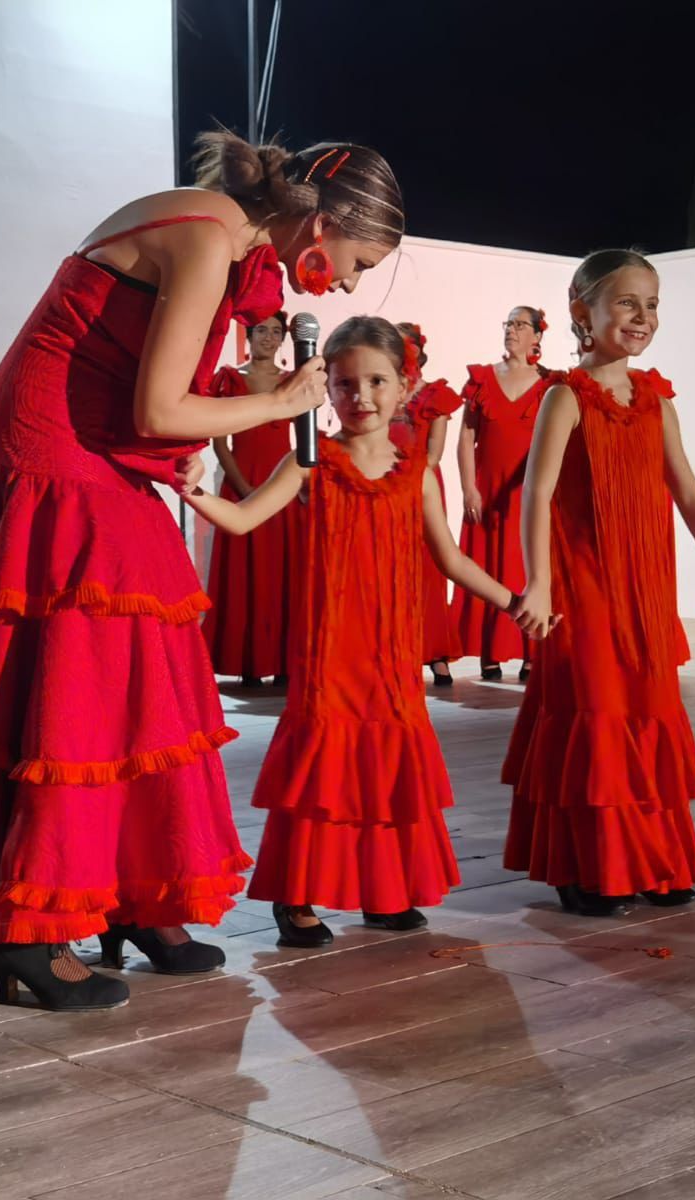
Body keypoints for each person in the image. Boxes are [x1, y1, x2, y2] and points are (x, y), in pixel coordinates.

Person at [0, 131, 403, 1010]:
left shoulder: (232, 240)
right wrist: (284, 400)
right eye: (358, 261)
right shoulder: (209, 237)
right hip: (58, 445)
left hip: (99, 443)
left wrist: (226, 418)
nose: (353, 284)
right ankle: (23, 923)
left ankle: (133, 896)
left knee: (149, 670)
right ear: (322, 223)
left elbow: (158, 392)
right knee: (78, 677)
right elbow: (161, 404)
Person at [184, 316, 538, 946]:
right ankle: (296, 894)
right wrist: (191, 491)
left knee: (386, 764)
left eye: (377, 381)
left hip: (391, 651)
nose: (362, 397)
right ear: (326, 388)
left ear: (404, 387)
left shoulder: (415, 473)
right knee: (323, 766)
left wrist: (516, 602)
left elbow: (451, 560)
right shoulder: (311, 461)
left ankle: (384, 888)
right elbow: (240, 519)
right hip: (329, 650)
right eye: (345, 384)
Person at [506, 251, 695, 916]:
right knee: (598, 721)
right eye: (629, 303)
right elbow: (537, 495)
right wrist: (540, 584)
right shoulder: (565, 397)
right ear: (585, 312)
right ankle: (587, 866)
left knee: (648, 718)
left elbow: (689, 492)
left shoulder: (657, 403)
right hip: (582, 592)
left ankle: (656, 861)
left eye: (653, 304)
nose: (643, 317)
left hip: (645, 594)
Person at [452, 306, 551, 681]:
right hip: (488, 490)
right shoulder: (482, 379)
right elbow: (466, 437)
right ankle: (489, 652)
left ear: (537, 336)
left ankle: (531, 651)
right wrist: (468, 488)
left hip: (528, 492)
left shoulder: (549, 383)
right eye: (508, 323)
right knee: (488, 567)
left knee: (527, 566)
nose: (511, 330)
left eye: (520, 324)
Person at [202, 312, 296, 687]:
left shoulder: (291, 382)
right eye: (262, 331)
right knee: (244, 575)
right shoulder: (230, 380)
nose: (269, 338)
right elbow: (219, 441)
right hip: (242, 483)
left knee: (282, 574)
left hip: (284, 486)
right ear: (249, 335)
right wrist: (244, 489)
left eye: (276, 332)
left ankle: (284, 662)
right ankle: (248, 662)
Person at [393, 323, 464, 685]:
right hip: (385, 486)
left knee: (429, 568)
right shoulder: (382, 390)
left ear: (420, 352)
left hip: (421, 487)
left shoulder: (435, 394)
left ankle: (436, 653)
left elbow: (434, 455)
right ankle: (396, 650)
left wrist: (408, 479)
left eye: (409, 348)